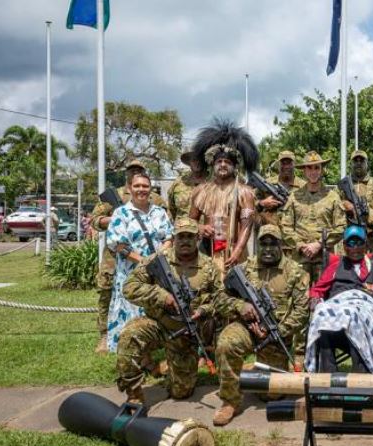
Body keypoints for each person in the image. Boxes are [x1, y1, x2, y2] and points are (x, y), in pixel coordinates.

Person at [115, 218, 233, 404]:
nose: (185, 241)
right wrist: (161, 296)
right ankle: (134, 392)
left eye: (190, 236)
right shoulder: (157, 260)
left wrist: (203, 309)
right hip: (157, 324)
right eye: (180, 236)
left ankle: (169, 368)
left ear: (197, 238)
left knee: (181, 392)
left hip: (185, 332)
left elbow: (220, 298)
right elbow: (130, 287)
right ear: (174, 238)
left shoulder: (209, 266)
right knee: (130, 335)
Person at [214, 224, 310, 425]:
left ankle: (249, 373)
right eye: (263, 244)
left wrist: (275, 331)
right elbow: (219, 300)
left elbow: (302, 312)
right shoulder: (245, 269)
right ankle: (230, 401)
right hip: (246, 328)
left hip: (275, 334)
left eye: (272, 243)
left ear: (281, 245)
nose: (267, 248)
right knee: (226, 343)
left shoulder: (295, 272)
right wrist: (241, 306)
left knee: (270, 395)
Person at [89, 160, 167, 353]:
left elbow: (167, 230)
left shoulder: (156, 200)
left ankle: (153, 343)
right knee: (109, 293)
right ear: (128, 177)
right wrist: (116, 218)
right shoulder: (114, 197)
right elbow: (96, 221)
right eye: (133, 171)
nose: (140, 187)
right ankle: (107, 335)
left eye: (140, 172)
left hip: (155, 263)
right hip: (122, 259)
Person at [306, 225, 373, 374]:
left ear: (365, 245)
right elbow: (317, 290)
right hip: (337, 324)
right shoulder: (335, 267)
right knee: (322, 320)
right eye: (350, 243)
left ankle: (361, 378)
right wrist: (315, 299)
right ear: (344, 246)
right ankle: (327, 379)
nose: (355, 247)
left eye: (359, 243)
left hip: (367, 322)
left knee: (356, 316)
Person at [105, 170, 173, 352]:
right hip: (131, 272)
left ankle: (152, 351)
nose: (141, 189)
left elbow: (169, 237)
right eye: (137, 186)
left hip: (157, 272)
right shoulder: (121, 213)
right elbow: (118, 245)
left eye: (145, 186)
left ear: (151, 189)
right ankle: (132, 355)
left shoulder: (160, 212)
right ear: (129, 188)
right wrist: (144, 262)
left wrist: (159, 258)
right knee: (131, 311)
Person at [188, 119, 258, 274]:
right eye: (219, 161)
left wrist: (238, 251)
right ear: (213, 165)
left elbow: (247, 225)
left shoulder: (244, 192)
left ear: (234, 166)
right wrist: (200, 228)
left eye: (227, 162)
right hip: (207, 251)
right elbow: (190, 221)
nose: (223, 165)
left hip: (234, 251)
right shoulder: (200, 191)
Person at [281, 151, 346, 283]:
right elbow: (285, 226)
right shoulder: (294, 197)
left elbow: (341, 226)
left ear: (322, 170)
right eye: (309, 168)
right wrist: (300, 245)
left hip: (324, 258)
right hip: (299, 259)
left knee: (323, 299)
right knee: (300, 300)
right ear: (304, 171)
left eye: (317, 167)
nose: (313, 171)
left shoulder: (332, 197)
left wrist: (319, 244)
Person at [168, 150, 208, 222]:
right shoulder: (179, 182)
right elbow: (171, 208)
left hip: (205, 231)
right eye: (194, 160)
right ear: (189, 162)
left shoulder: (213, 183)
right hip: (182, 230)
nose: (197, 162)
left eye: (200, 159)